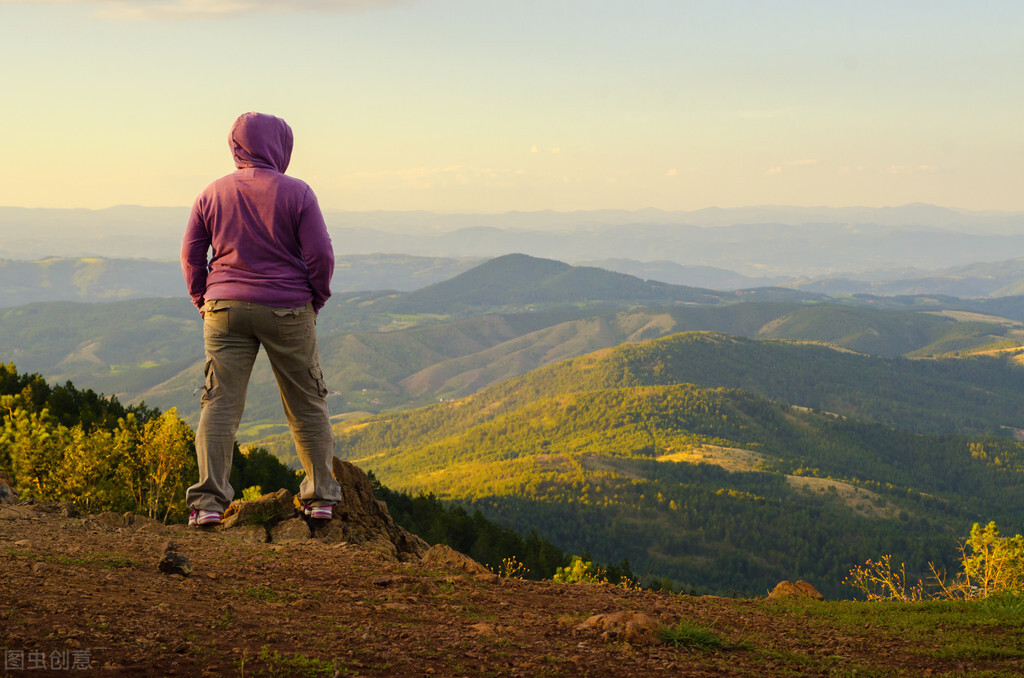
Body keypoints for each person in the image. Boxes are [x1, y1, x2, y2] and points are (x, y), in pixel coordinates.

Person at [180, 111, 342, 526]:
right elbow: (320, 254)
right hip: (288, 308)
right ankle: (321, 497)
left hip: (223, 309)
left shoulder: (211, 193)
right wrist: (315, 299)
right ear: (280, 145)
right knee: (306, 402)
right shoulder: (298, 193)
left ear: (236, 146)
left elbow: (191, 255)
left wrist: (203, 298)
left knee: (218, 404)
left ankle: (208, 505)